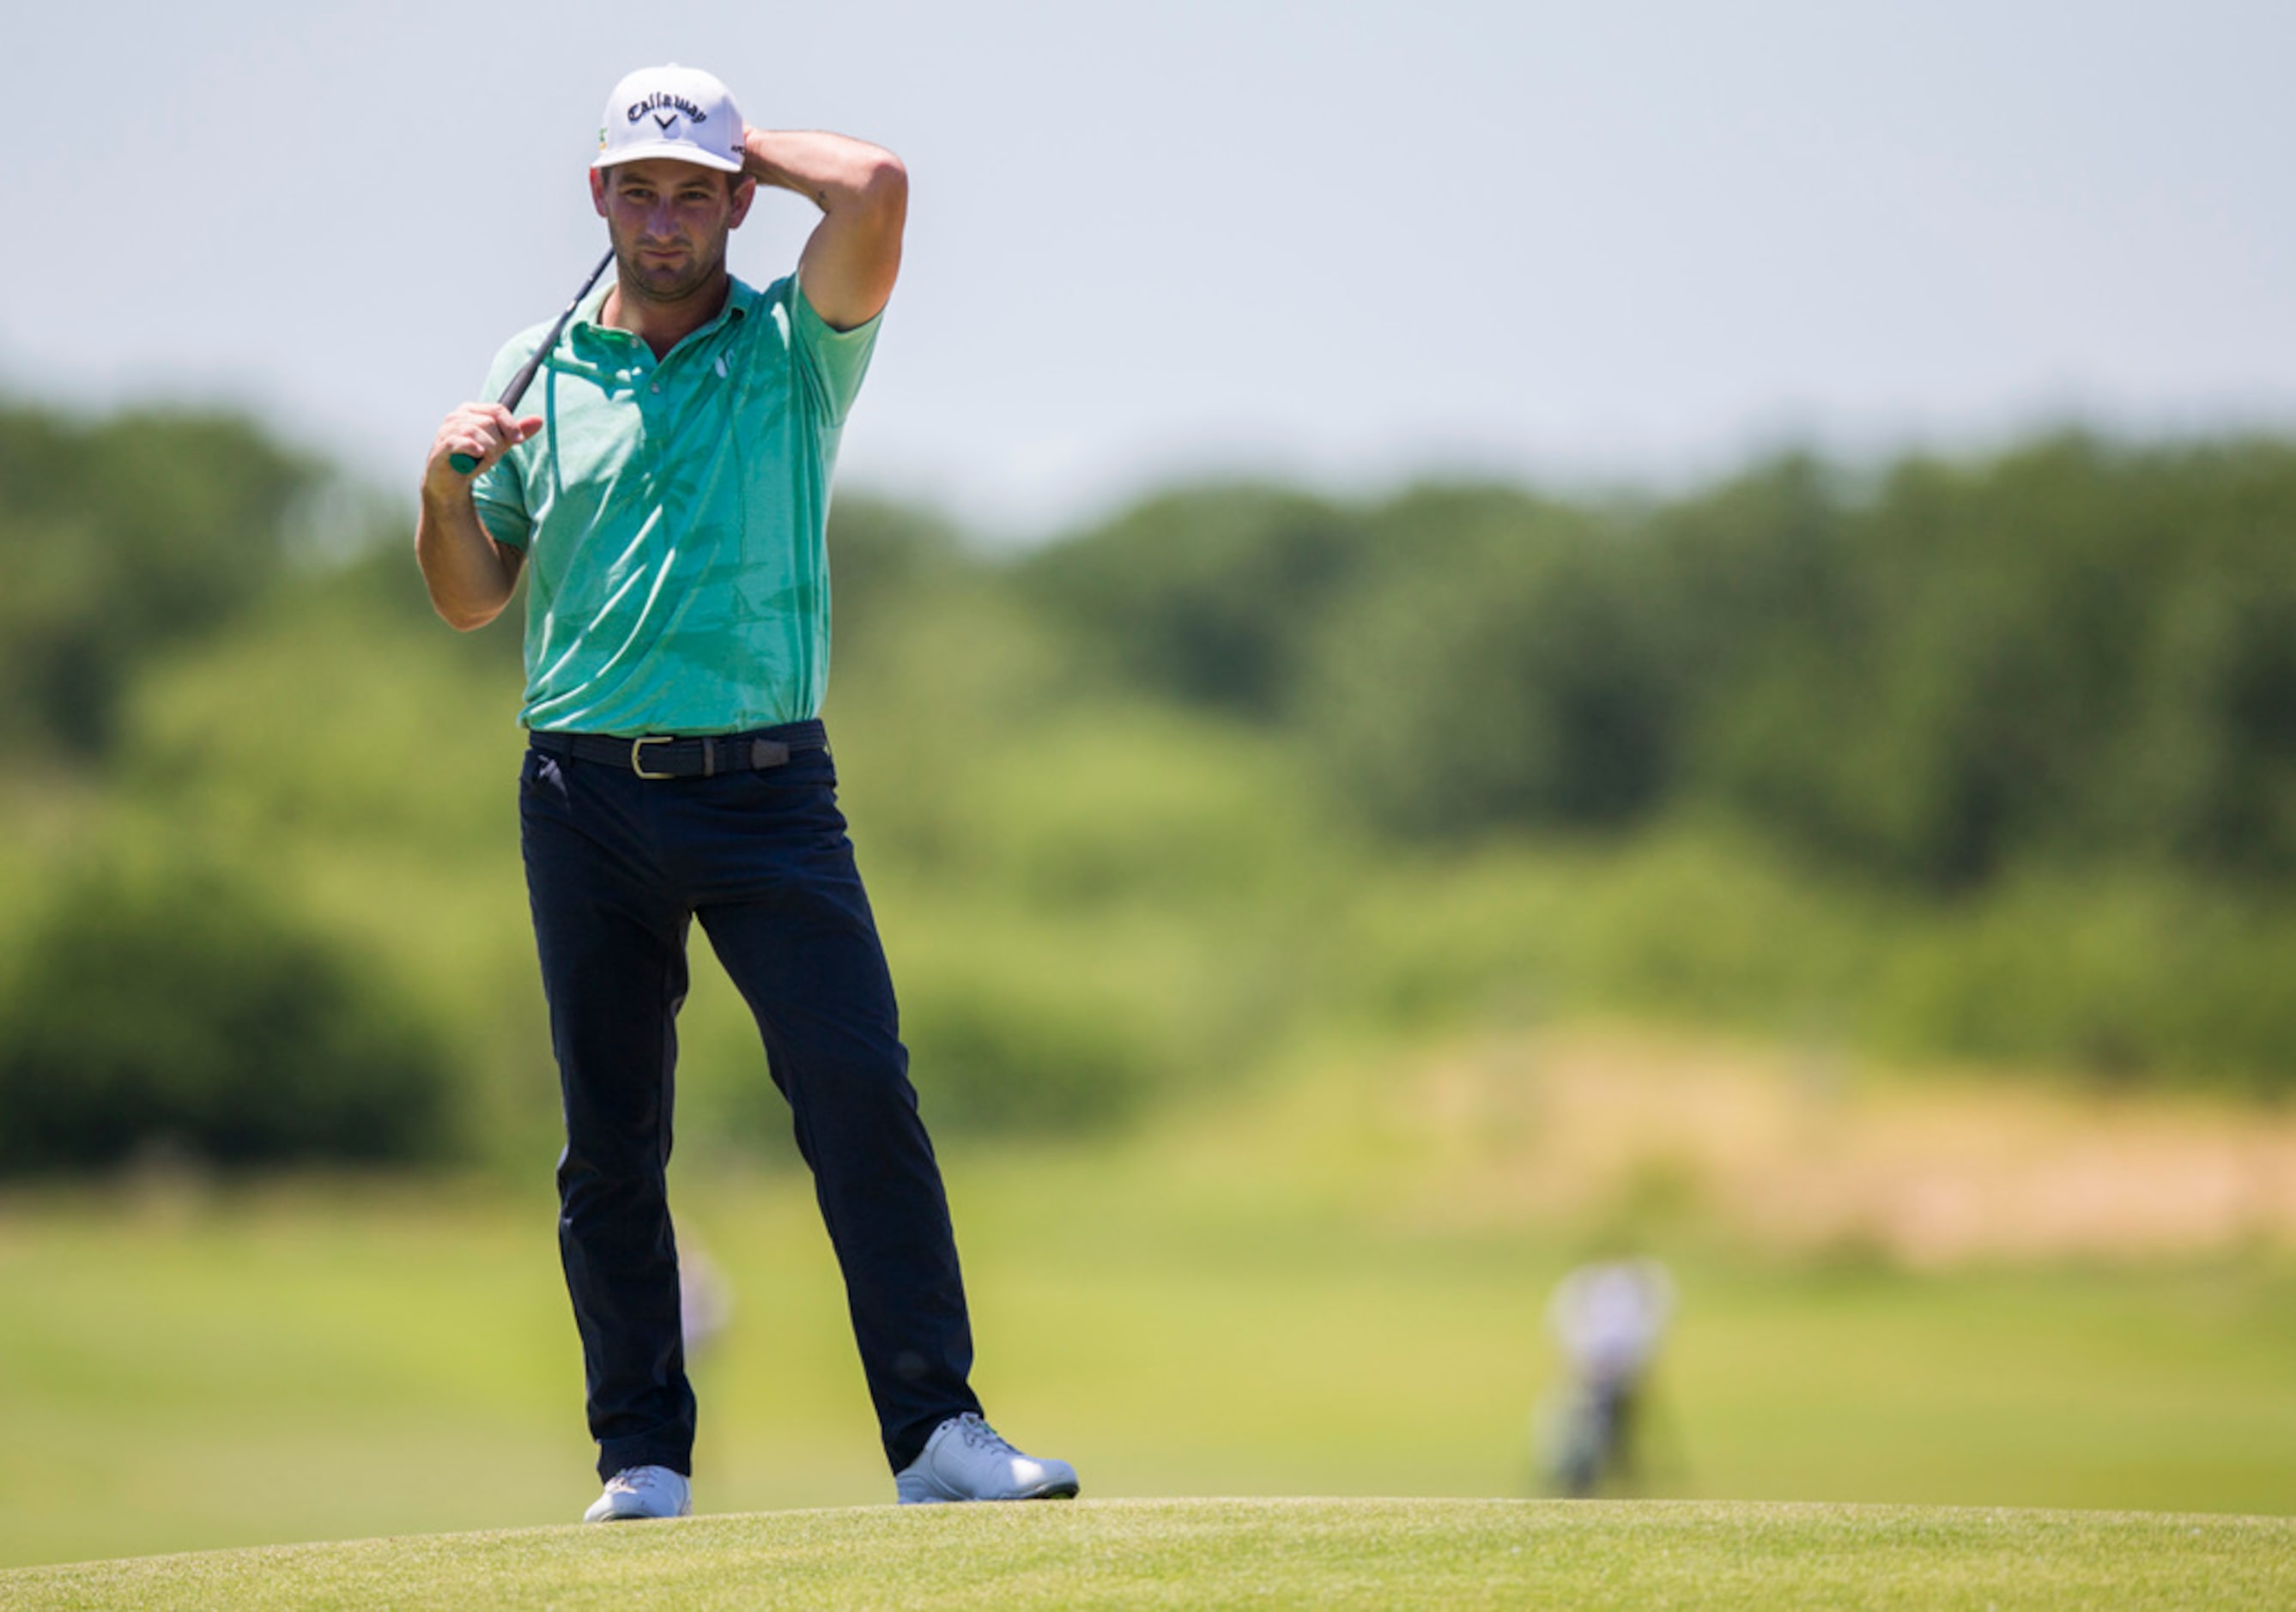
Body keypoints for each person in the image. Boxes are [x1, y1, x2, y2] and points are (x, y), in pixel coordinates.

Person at [415, 63, 1076, 1522]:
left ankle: (939, 1435)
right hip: (581, 791)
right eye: (637, 190)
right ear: (597, 198)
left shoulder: (794, 347)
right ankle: (640, 1457)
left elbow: (880, 190)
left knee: (859, 1096)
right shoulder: (541, 365)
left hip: (769, 792)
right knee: (612, 1140)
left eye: (693, 194)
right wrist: (446, 491)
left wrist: (731, 143)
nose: (663, 220)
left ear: (735, 203)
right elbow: (472, 600)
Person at [1537, 1256, 1675, 1497]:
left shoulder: (1638, 1287)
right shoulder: (1586, 1286)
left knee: (1617, 1436)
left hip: (1620, 1377)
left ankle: (1612, 1486)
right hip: (1591, 1374)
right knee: (1583, 1433)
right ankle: (1580, 1483)